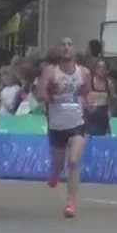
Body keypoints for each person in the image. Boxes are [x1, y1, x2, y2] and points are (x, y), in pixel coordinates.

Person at [36, 38, 89, 219]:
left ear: (74, 50)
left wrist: (87, 103)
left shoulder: (84, 72)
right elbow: (40, 94)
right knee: (58, 164)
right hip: (57, 125)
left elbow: (86, 92)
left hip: (77, 123)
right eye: (63, 45)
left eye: (69, 44)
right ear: (58, 50)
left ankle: (70, 203)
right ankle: (55, 174)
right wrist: (52, 96)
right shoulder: (51, 71)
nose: (66, 47)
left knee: (73, 161)